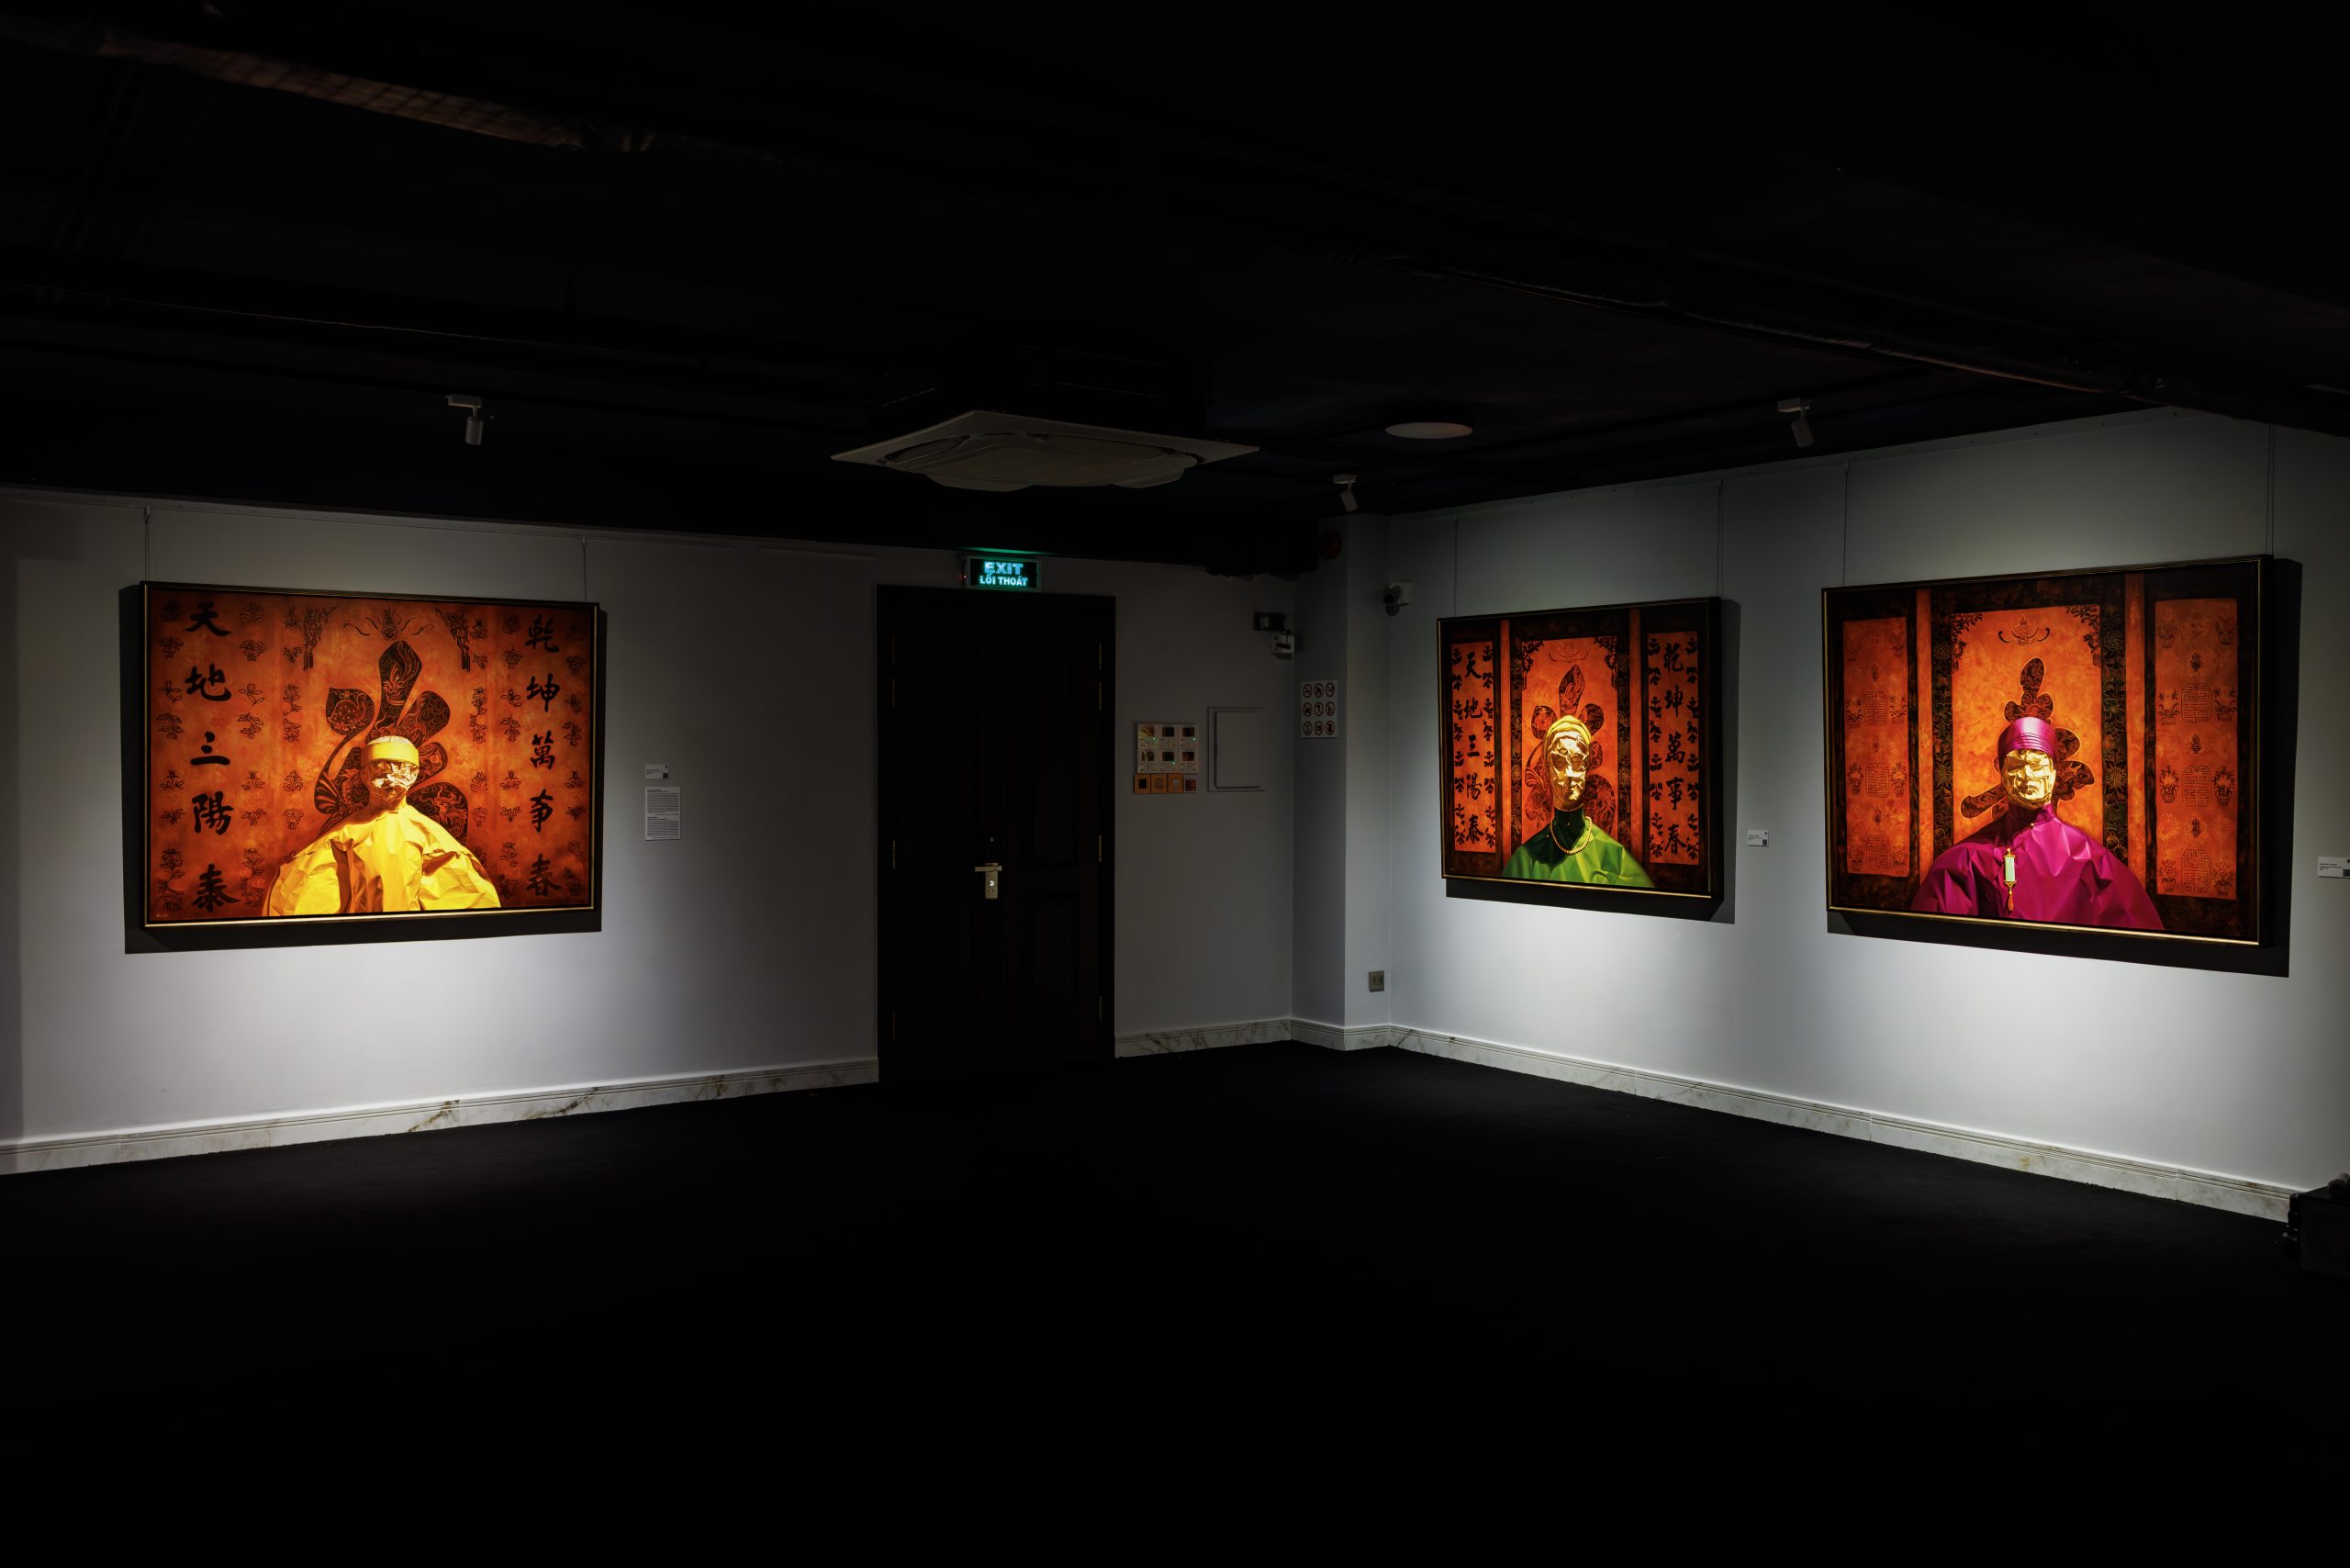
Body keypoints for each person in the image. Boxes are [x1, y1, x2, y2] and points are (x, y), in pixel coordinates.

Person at [1909, 716, 2161, 929]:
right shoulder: (1966, 861)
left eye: (2038, 765)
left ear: (2054, 773)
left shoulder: (2091, 860)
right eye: (2017, 766)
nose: (2028, 775)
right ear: (2001, 772)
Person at [267, 734, 499, 915]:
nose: (392, 782)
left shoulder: (429, 836)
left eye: (401, 773)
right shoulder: (345, 835)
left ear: (415, 774)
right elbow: (311, 895)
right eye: (381, 773)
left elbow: (464, 902)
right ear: (364, 775)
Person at [1501, 712, 1652, 886]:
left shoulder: (1614, 858)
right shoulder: (1525, 862)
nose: (1569, 774)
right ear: (1548, 769)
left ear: (1587, 766)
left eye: (1577, 762)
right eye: (1560, 763)